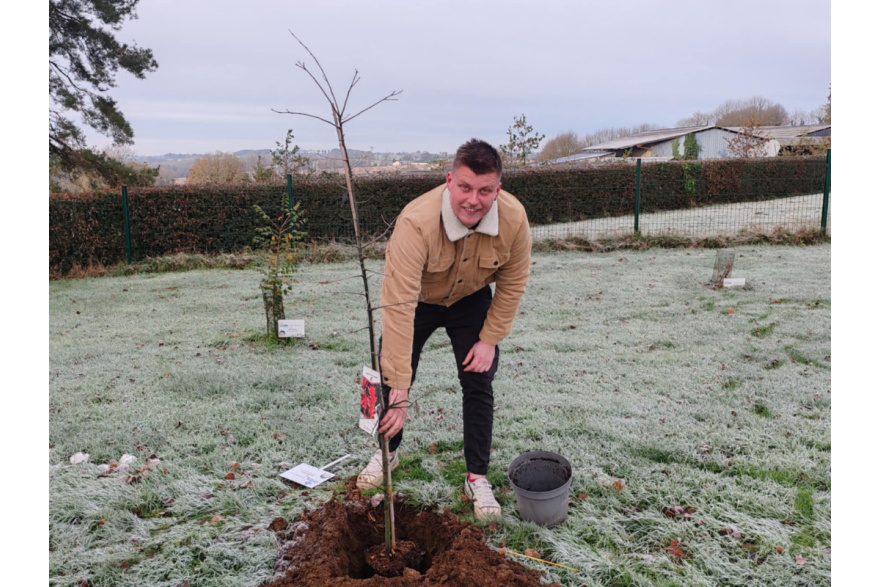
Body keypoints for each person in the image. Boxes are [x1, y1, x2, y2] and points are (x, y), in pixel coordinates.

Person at [357, 139, 532, 518]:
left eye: (485, 191)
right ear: (450, 180)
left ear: (497, 189)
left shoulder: (515, 219)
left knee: (479, 380)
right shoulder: (414, 223)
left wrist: (489, 340)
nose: (474, 199)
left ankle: (476, 477)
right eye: (465, 187)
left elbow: (514, 283)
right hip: (416, 301)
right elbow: (398, 306)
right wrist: (401, 387)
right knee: (388, 377)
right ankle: (386, 453)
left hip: (470, 299)